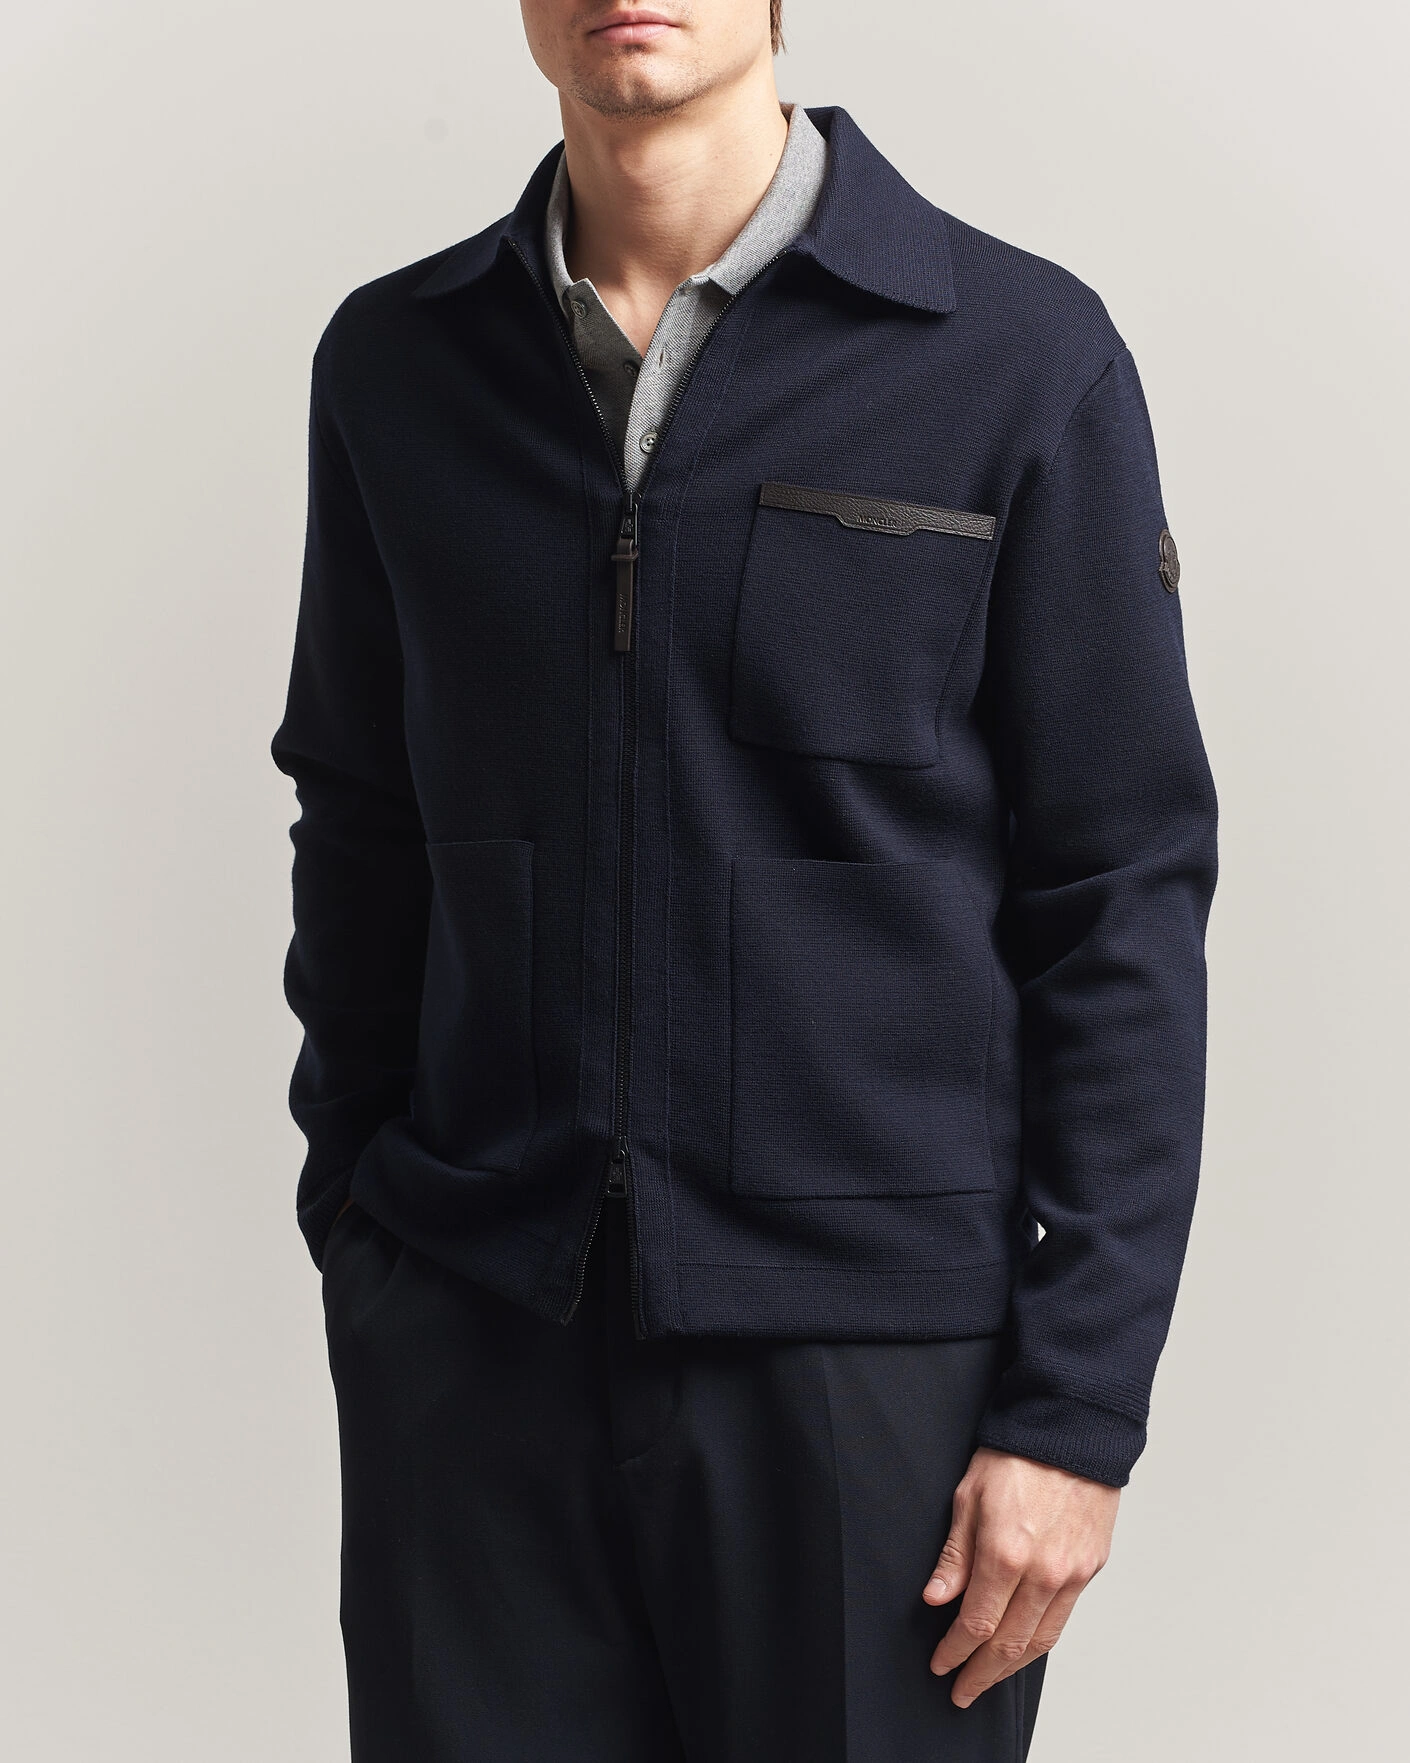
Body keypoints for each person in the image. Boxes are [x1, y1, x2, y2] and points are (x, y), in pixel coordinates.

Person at [270, 3, 1218, 1758]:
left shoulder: (1014, 355)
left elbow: (1121, 894)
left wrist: (1075, 1406)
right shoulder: (399, 365)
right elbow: (359, 814)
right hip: (476, 1341)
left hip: (870, 1376)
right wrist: (369, 1233)